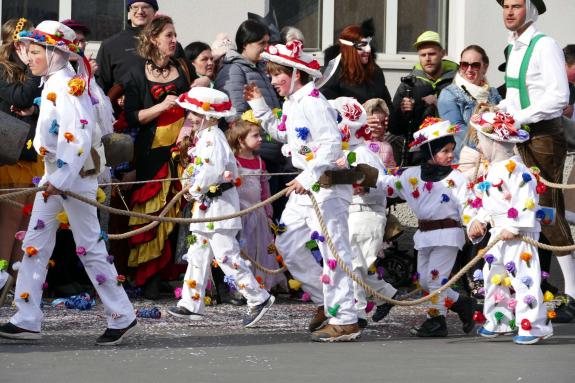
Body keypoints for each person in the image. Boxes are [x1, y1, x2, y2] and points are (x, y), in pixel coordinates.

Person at [0, 21, 137, 345]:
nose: (29, 58)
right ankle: (27, 316)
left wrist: (58, 180)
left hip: (72, 179)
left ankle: (122, 315)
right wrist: (54, 179)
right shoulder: (53, 81)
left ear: (53, 54)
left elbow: (78, 140)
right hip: (57, 178)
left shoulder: (67, 87)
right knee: (35, 243)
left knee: (89, 247)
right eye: (28, 52)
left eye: (35, 52)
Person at [245, 40, 361, 342]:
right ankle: (325, 300)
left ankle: (346, 319)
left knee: (333, 252)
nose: (272, 81)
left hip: (324, 185)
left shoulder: (312, 101)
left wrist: (308, 177)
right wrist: (259, 105)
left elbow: (331, 144)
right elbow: (284, 134)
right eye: (270, 76)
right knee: (287, 243)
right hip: (306, 186)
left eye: (276, 75)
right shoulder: (294, 102)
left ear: (296, 73)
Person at [495, 0, 575, 324]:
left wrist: (518, 118)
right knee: (527, 207)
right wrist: (499, 112)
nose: (509, 12)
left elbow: (559, 97)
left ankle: (572, 293)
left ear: (531, 9)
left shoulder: (545, 46)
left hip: (543, 136)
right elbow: (514, 95)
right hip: (522, 135)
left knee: (546, 207)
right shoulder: (512, 48)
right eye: (505, 6)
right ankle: (529, 286)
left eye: (516, 6)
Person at [167, 87, 275, 326]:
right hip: (208, 207)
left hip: (220, 207)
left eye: (195, 112)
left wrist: (194, 189)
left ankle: (258, 297)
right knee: (197, 253)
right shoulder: (205, 137)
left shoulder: (213, 138)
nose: (191, 118)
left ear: (209, 116)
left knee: (226, 255)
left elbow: (211, 172)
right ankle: (191, 302)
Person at [123, 15, 197, 297]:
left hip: (181, 152)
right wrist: (163, 106)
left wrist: (187, 130)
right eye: (168, 35)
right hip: (151, 154)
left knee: (178, 211)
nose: (174, 39)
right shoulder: (136, 72)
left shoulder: (183, 67)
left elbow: (194, 105)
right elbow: (132, 117)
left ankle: (171, 273)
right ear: (153, 38)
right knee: (152, 212)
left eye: (174, 34)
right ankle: (148, 276)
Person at [382, 117, 476, 337]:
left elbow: (468, 204)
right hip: (424, 235)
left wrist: (473, 223)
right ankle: (462, 303)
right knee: (425, 280)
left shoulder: (457, 179)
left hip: (448, 235)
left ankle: (436, 320)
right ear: (430, 151)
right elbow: (386, 185)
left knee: (435, 279)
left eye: (452, 149)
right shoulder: (410, 175)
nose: (451, 155)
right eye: (444, 150)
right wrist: (362, 177)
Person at [467, 110, 553, 344]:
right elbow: (488, 201)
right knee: (493, 275)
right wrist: (480, 220)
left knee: (523, 277)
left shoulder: (518, 169)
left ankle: (533, 325)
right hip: (497, 232)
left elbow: (527, 200)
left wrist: (515, 227)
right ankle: (499, 319)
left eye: (481, 141)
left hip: (518, 234)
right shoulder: (492, 168)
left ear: (494, 142)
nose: (479, 147)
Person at [329, 97, 398, 328]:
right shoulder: (348, 154)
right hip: (352, 213)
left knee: (355, 264)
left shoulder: (365, 153)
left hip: (366, 212)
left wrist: (359, 183)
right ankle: (386, 293)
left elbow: (380, 183)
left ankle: (357, 313)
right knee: (353, 263)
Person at [0, 18, 42, 302]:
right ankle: (1, 277)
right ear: (17, 45)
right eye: (31, 46)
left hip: (31, 153)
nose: (36, 51)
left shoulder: (38, 72)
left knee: (25, 223)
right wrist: (30, 67)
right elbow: (22, 97)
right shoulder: (4, 70)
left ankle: (14, 283)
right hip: (10, 156)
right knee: (10, 220)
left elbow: (40, 107)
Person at [226, 114, 288, 292]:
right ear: (240, 139)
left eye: (260, 135)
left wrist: (268, 213)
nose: (261, 139)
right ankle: (242, 286)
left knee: (261, 250)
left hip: (258, 214)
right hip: (240, 214)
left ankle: (262, 282)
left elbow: (265, 190)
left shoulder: (260, 161)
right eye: (255, 135)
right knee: (243, 250)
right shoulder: (234, 162)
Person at [390, 31, 458, 165]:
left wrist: (440, 102)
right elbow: (394, 127)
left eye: (432, 54)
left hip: (453, 151)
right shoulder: (408, 84)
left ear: (442, 53)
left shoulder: (457, 80)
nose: (427, 58)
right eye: (423, 55)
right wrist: (403, 112)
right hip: (419, 156)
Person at [438, 45, 502, 160]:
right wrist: (486, 146)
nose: (469, 69)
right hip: (466, 160)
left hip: (496, 156)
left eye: (475, 65)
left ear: (485, 67)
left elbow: (503, 123)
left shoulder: (493, 93)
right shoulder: (448, 94)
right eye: (464, 64)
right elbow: (457, 129)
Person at [321, 25, 393, 107]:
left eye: (369, 44)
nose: (368, 50)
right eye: (362, 45)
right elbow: (326, 109)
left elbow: (388, 105)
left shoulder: (375, 72)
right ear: (349, 48)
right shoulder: (332, 73)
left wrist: (384, 115)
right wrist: (362, 117)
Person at [363, 98, 396, 168]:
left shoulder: (387, 146)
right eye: (374, 122)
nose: (379, 126)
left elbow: (391, 169)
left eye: (382, 123)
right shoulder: (359, 145)